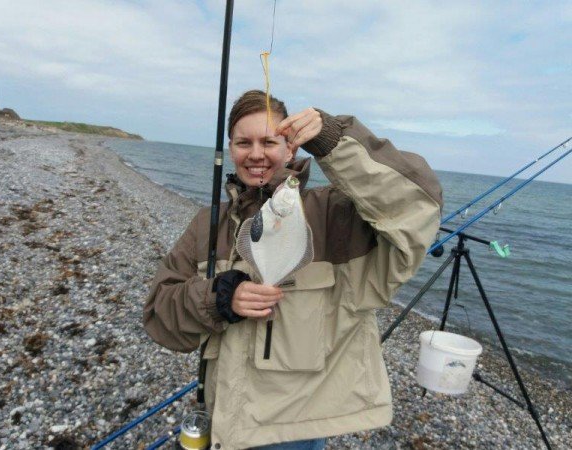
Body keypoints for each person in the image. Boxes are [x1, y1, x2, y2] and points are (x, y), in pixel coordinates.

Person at [144, 90, 443, 449]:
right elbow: (159, 313)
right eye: (244, 142)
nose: (256, 154)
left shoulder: (335, 216)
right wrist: (218, 298)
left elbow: (418, 204)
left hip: (291, 433)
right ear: (231, 149)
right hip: (221, 420)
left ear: (292, 149)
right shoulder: (207, 224)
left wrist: (334, 140)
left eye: (269, 141)